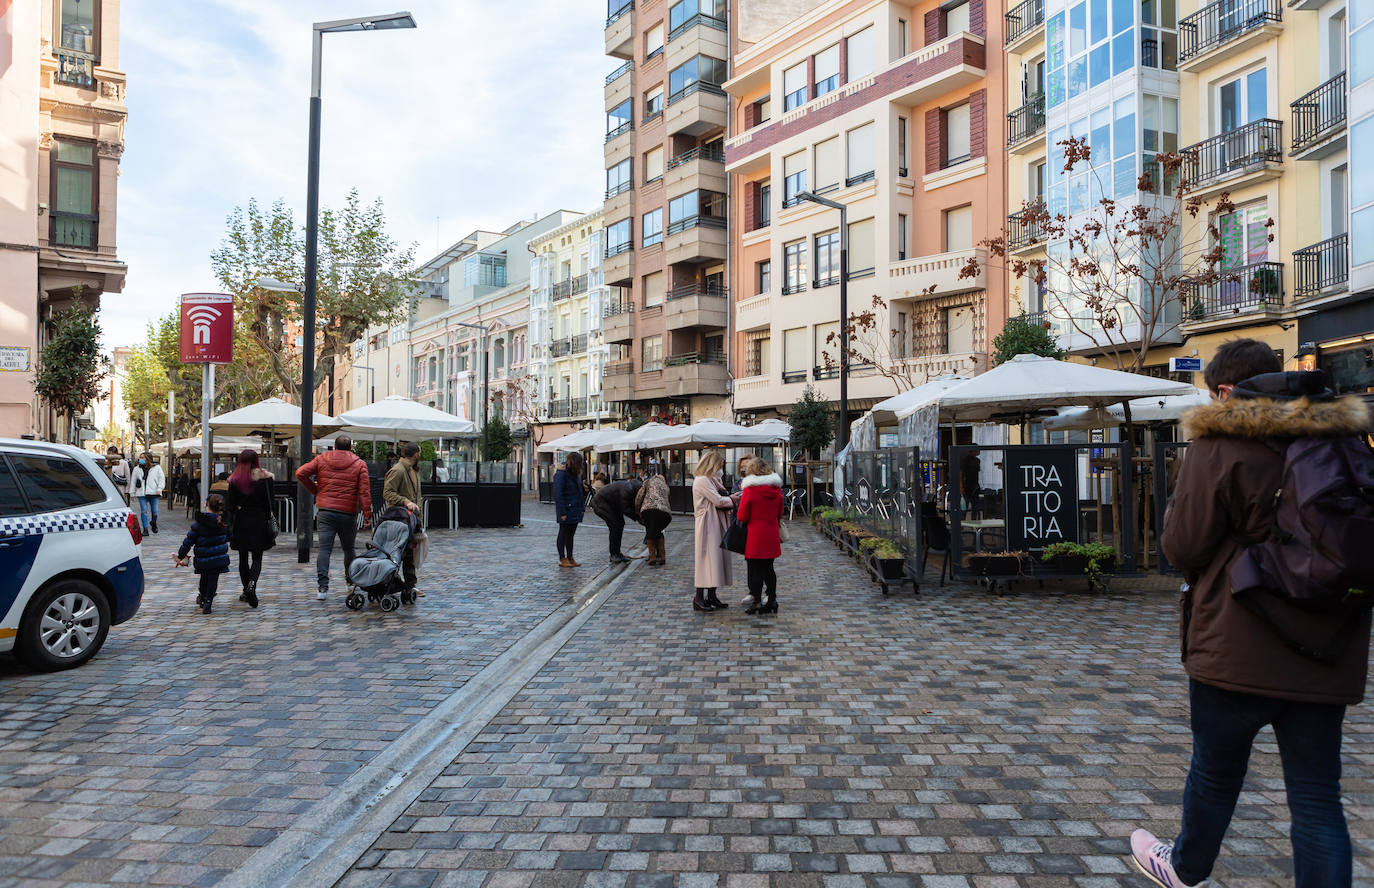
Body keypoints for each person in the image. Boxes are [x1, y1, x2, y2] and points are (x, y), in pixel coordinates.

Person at [1131, 339, 1373, 888]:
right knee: (1317, 797)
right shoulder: (1341, 435)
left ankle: (1185, 868)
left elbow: (1183, 546)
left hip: (1237, 640)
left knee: (1216, 775)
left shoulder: (1220, 441)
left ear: (1224, 391)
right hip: (1328, 641)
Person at [296, 435, 373, 602]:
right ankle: (350, 582)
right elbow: (364, 492)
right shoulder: (359, 464)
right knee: (349, 549)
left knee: (324, 549)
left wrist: (315, 490)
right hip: (348, 513)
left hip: (326, 511)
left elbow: (300, 473)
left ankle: (322, 588)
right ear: (351, 447)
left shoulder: (322, 459)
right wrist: (367, 515)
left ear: (334, 446)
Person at [224, 449, 274, 609]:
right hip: (260, 520)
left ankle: (246, 590)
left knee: (243, 558)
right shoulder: (266, 478)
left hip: (242, 521)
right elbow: (270, 502)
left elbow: (230, 505)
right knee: (257, 558)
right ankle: (252, 585)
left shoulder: (234, 480)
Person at [737, 457, 784, 615]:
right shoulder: (776, 490)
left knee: (756, 570)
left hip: (755, 535)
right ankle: (772, 600)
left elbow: (742, 515)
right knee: (769, 569)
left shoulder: (750, 490)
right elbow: (780, 513)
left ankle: (756, 601)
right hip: (771, 534)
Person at [691, 451, 736, 611]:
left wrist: (729, 497)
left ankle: (711, 595)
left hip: (715, 522)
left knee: (715, 559)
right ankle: (699, 598)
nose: (721, 469)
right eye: (720, 466)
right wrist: (733, 499)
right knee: (706, 559)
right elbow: (717, 500)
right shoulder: (703, 480)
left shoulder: (711, 479)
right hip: (708, 525)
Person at [175, 493, 231, 615]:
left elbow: (188, 541)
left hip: (203, 558)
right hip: (218, 559)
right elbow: (229, 537)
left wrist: (181, 555)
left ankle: (203, 596)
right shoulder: (223, 523)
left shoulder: (200, 523)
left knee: (204, 578)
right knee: (213, 580)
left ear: (206, 504)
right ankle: (209, 601)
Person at [383, 441, 423, 597]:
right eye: (419, 453)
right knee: (398, 552)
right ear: (415, 455)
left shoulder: (412, 470)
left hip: (411, 519)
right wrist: (406, 502)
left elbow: (416, 495)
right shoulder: (398, 470)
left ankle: (410, 585)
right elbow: (387, 493)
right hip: (399, 519)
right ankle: (390, 582)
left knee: (409, 553)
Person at [591, 476, 643, 564]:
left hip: (609, 504)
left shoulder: (629, 488)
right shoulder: (627, 490)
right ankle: (614, 554)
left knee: (619, 524)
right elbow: (625, 508)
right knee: (615, 526)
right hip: (600, 504)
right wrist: (638, 518)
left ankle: (617, 553)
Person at [553, 452, 585, 568]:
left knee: (571, 534)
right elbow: (558, 494)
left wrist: (582, 508)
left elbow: (579, 492)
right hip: (566, 509)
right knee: (563, 533)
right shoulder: (561, 474)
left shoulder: (575, 474)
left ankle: (570, 556)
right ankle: (562, 558)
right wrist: (562, 512)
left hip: (575, 508)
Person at [636, 467, 672, 567]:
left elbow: (640, 496)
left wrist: (637, 510)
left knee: (650, 532)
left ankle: (652, 557)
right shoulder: (665, 486)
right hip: (664, 512)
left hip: (649, 509)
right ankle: (662, 557)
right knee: (658, 532)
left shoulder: (648, 482)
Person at [129, 452, 166, 534]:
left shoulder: (157, 468)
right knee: (144, 511)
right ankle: (145, 529)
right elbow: (133, 481)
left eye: (142, 457)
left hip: (154, 492)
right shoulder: (136, 468)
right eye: (140, 457)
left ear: (148, 458)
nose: (140, 459)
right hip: (141, 492)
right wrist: (132, 493)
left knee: (155, 512)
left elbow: (161, 479)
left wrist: (160, 488)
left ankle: (153, 523)